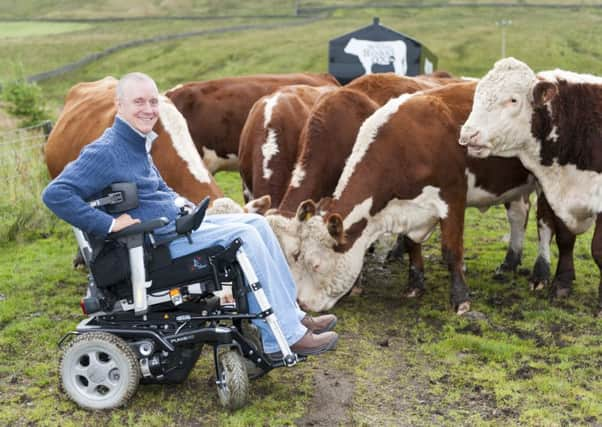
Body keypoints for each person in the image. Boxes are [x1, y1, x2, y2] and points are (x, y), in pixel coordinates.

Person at [42, 72, 338, 357]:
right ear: (119, 105)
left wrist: (184, 206)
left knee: (258, 223)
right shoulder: (106, 151)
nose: (148, 109)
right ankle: (283, 337)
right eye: (138, 102)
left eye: (152, 101)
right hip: (156, 243)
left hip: (174, 226)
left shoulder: (136, 144)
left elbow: (159, 189)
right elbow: (55, 194)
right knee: (245, 235)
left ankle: (292, 316)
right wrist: (107, 224)